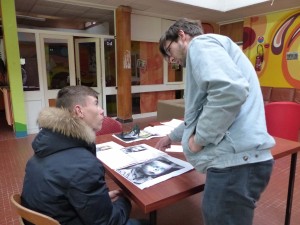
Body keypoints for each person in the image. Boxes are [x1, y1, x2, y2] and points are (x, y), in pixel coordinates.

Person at [155, 18, 275, 225]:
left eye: (168, 50)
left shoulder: (201, 44)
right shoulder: (215, 51)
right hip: (240, 163)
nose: (170, 59)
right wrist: (171, 136)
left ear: (182, 35)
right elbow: (200, 114)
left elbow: (230, 91)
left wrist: (199, 140)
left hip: (235, 165)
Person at [21, 85, 148, 225]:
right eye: (96, 103)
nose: (102, 110)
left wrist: (102, 200)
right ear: (79, 111)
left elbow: (70, 193)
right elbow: (109, 223)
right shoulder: (83, 164)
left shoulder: (45, 148)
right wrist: (125, 201)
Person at [117, 157, 183, 185]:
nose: (156, 169)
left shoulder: (146, 180)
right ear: (145, 163)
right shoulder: (126, 170)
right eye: (155, 166)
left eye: (161, 169)